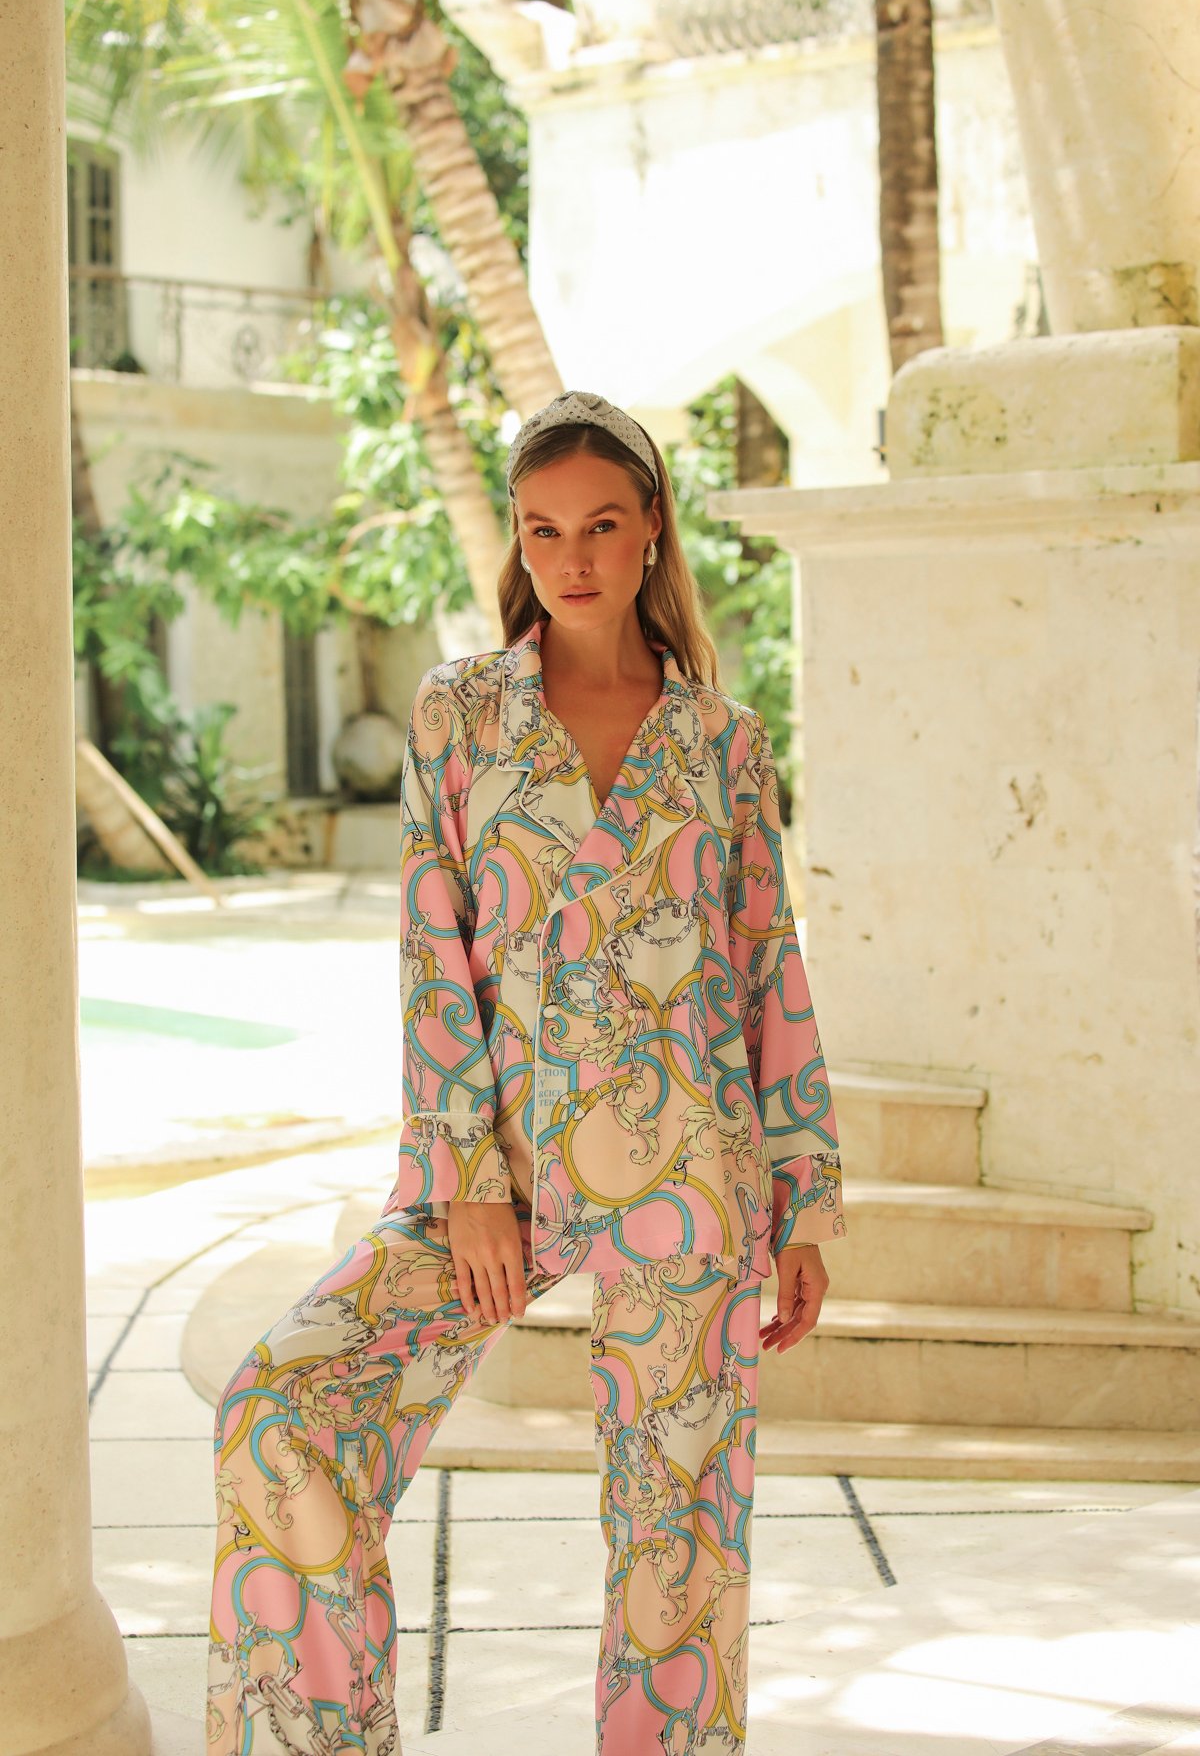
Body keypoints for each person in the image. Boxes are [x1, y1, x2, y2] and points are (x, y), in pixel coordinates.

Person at [206, 389, 846, 1756]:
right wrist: (467, 1183)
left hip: (693, 1174)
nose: (573, 557)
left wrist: (800, 1204)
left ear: (652, 528)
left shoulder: (724, 746)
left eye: (602, 525)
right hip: (505, 1167)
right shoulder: (461, 714)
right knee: (279, 1405)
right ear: (517, 536)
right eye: (544, 529)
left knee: (678, 1541)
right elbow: (431, 955)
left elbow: (768, 977)